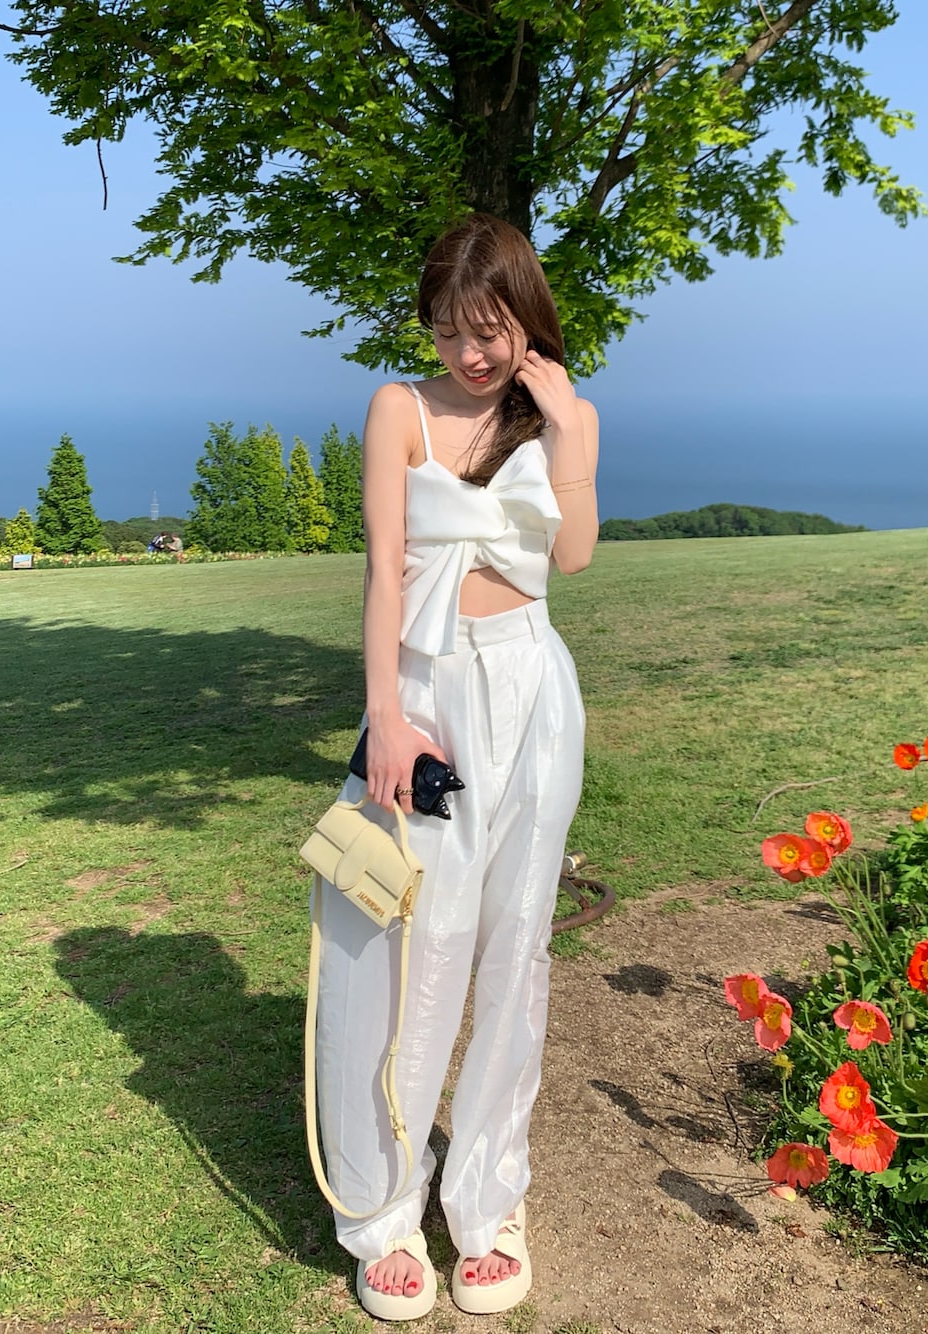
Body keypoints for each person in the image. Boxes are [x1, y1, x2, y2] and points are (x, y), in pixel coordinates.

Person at [312, 213, 599, 1321]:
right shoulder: (399, 407)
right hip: (426, 695)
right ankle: (386, 1206)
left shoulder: (564, 413)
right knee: (411, 943)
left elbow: (572, 556)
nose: (469, 352)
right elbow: (385, 568)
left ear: (527, 316)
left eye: (489, 329)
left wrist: (567, 431)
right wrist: (385, 714)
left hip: (533, 689)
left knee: (517, 940)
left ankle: (488, 1198)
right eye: (448, 328)